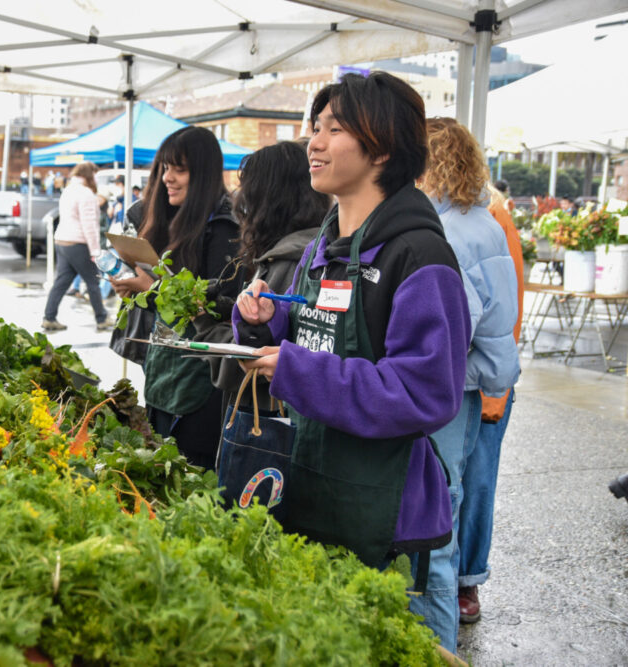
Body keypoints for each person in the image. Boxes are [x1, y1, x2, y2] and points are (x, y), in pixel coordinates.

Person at [234, 72, 469, 648]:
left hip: (381, 512)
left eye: (333, 130)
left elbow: (425, 393)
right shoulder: (324, 245)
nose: (313, 143)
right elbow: (323, 331)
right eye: (314, 128)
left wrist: (297, 370)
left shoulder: (420, 256)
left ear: (382, 147)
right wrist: (268, 320)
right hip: (312, 487)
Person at [417, 117, 520, 650]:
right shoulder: (482, 221)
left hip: (447, 391)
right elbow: (498, 322)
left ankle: (436, 645)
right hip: (473, 386)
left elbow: (452, 328)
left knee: (434, 517)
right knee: (449, 505)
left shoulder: (445, 231)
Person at [111, 126, 243, 470]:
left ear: (204, 173)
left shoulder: (225, 228)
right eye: (165, 168)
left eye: (179, 169)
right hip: (163, 367)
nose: (167, 178)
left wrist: (151, 289)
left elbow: (215, 307)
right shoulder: (169, 217)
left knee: (188, 472)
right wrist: (135, 287)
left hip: (201, 380)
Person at [203, 141, 331, 419]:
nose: (242, 204)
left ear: (269, 199)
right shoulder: (307, 249)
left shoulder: (291, 260)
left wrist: (201, 324)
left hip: (269, 423)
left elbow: (254, 360)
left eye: (248, 194)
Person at [456, 182, 525, 625]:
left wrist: (494, 393)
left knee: (477, 484)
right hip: (457, 381)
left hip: (481, 383)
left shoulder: (489, 217)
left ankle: (468, 579)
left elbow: (505, 313)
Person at [42, 161, 115, 332]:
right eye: (95, 176)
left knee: (61, 281)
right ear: (90, 175)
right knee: (93, 282)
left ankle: (49, 317)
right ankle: (102, 319)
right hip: (78, 242)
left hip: (62, 241)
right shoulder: (86, 194)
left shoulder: (68, 190)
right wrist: (95, 250)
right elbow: (89, 224)